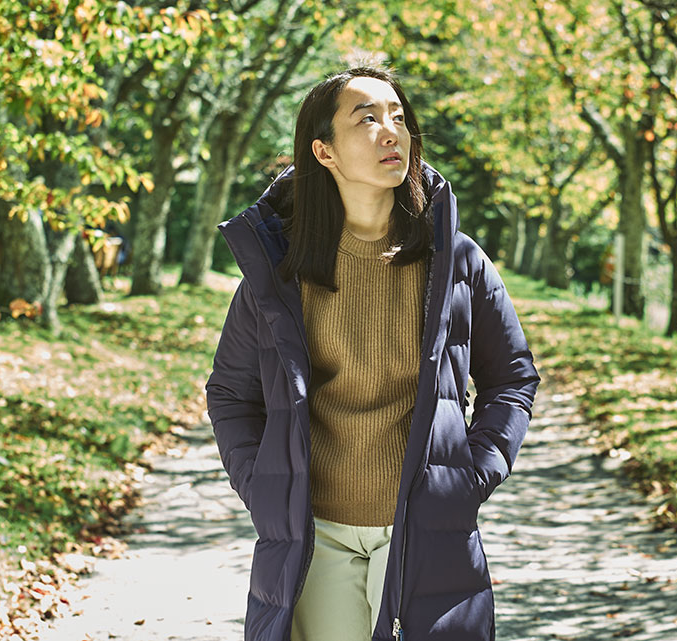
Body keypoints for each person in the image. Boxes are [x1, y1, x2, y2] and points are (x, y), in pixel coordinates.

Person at [205, 64, 539, 641]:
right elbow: (232, 394)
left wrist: (473, 473)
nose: (392, 133)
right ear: (324, 152)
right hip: (317, 536)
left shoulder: (456, 261)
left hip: (425, 528)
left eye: (399, 118)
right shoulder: (279, 273)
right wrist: (263, 486)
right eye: (368, 120)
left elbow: (511, 378)